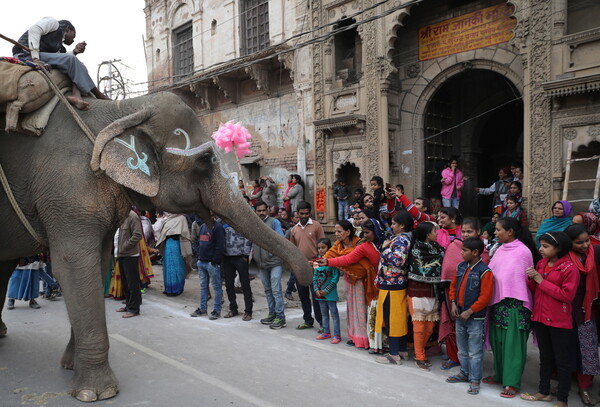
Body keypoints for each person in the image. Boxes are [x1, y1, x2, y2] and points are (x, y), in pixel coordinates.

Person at [484, 217, 539, 398]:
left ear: (510, 232)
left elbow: (521, 280)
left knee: (513, 346)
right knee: (498, 343)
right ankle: (500, 375)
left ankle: (512, 383)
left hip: (516, 306)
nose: (495, 232)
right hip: (499, 305)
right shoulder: (500, 250)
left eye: (498, 229)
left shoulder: (523, 252)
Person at [522, 232, 579, 407]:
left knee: (562, 360)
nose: (541, 249)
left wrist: (540, 280)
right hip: (540, 317)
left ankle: (562, 399)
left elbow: (566, 296)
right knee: (545, 357)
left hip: (559, 320)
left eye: (546, 246)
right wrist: (532, 278)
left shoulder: (570, 269)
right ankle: (543, 391)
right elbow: (534, 289)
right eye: (541, 245)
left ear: (559, 248)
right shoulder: (541, 263)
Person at [13, 17, 109, 110]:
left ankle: (76, 95)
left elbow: (61, 59)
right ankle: (98, 94)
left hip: (40, 56)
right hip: (25, 54)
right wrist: (35, 58)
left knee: (79, 64)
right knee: (71, 60)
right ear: (68, 29)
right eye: (73, 35)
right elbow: (35, 29)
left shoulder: (59, 47)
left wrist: (74, 52)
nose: (73, 40)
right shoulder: (53, 23)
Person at [318, 220, 379, 349]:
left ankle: (364, 339)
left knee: (361, 309)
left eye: (339, 231)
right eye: (335, 231)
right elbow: (328, 257)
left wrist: (328, 261)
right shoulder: (338, 245)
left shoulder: (359, 243)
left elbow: (351, 260)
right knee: (351, 308)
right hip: (348, 279)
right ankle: (354, 336)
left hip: (362, 280)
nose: (336, 234)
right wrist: (316, 262)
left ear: (348, 232)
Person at [446, 237, 493, 396]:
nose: (461, 253)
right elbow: (453, 287)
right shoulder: (460, 267)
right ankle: (464, 373)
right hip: (460, 315)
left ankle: (474, 379)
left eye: (464, 250)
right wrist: (453, 303)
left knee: (475, 351)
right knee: (462, 349)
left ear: (474, 253)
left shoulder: (485, 272)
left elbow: (485, 297)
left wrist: (470, 311)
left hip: (475, 318)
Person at [564, 224, 600, 406]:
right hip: (565, 308)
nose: (585, 245)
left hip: (587, 309)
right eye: (579, 242)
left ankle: (584, 386)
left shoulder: (596, 253)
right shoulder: (561, 256)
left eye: (587, 240)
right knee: (567, 347)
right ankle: (565, 379)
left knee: (587, 349)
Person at [374, 211, 413, 365]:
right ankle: (401, 350)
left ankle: (393, 354)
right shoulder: (402, 238)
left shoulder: (401, 240)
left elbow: (398, 261)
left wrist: (384, 249)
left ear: (402, 226)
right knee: (398, 318)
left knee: (392, 319)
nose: (392, 226)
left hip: (393, 284)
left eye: (394, 223)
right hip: (394, 284)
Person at [409, 221, 445, 370]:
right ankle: (419, 356)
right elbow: (421, 268)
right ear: (427, 234)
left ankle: (421, 350)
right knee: (419, 327)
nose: (436, 234)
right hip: (417, 293)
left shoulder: (438, 249)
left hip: (433, 293)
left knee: (429, 328)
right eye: (434, 231)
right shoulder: (416, 250)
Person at [289, 201, 325, 330]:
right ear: (297, 214)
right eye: (301, 213)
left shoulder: (316, 226)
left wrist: (320, 262)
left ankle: (321, 322)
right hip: (301, 266)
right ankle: (308, 320)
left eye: (306, 213)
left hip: (315, 265)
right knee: (303, 295)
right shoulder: (294, 229)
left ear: (310, 213)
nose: (304, 216)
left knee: (316, 295)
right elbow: (293, 249)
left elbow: (323, 245)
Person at [253, 201, 287, 329]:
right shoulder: (254, 224)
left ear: (267, 210)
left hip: (274, 263)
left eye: (263, 210)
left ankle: (280, 317)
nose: (261, 213)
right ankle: (272, 314)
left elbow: (280, 239)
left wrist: (272, 253)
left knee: (276, 290)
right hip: (261, 264)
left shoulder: (274, 222)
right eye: (259, 211)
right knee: (267, 290)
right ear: (255, 211)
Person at [190, 215, 225, 320]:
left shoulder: (218, 227)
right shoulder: (202, 226)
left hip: (211, 263)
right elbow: (196, 241)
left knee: (216, 287)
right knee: (203, 287)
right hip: (202, 261)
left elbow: (220, 246)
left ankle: (216, 310)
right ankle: (203, 309)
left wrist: (214, 261)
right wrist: (198, 256)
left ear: (214, 215)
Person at [220, 223, 253, 321]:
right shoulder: (224, 224)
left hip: (240, 257)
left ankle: (248, 311)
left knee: (245, 284)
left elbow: (248, 239)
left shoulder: (243, 223)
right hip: (227, 258)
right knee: (229, 285)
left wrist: (245, 255)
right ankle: (233, 308)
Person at [155, 212, 193, 296]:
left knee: (177, 266)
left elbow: (185, 233)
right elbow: (161, 233)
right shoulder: (166, 219)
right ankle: (168, 289)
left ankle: (177, 289)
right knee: (168, 267)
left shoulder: (182, 218)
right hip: (167, 245)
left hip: (177, 245)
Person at [115, 210, 143, 318]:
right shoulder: (120, 216)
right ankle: (128, 305)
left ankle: (134, 309)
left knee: (132, 283)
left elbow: (137, 235)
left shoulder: (132, 216)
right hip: (121, 254)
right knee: (126, 283)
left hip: (130, 255)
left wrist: (126, 246)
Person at [313, 238, 341, 343]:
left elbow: (335, 277)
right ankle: (326, 332)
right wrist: (316, 289)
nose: (320, 250)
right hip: (319, 293)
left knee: (334, 314)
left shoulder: (331, 262)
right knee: (323, 313)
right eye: (319, 248)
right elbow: (315, 277)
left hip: (330, 294)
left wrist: (326, 290)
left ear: (329, 248)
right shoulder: (316, 262)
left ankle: (337, 335)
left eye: (323, 248)